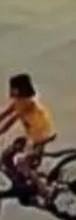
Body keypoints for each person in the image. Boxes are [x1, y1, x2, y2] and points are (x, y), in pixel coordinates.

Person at [0, 74, 55, 206]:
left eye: (14, 89)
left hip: (41, 135)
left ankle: (46, 190)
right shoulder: (19, 101)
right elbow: (5, 114)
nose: (12, 91)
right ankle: (21, 183)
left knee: (23, 164)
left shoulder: (28, 102)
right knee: (6, 156)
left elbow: (12, 120)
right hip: (32, 134)